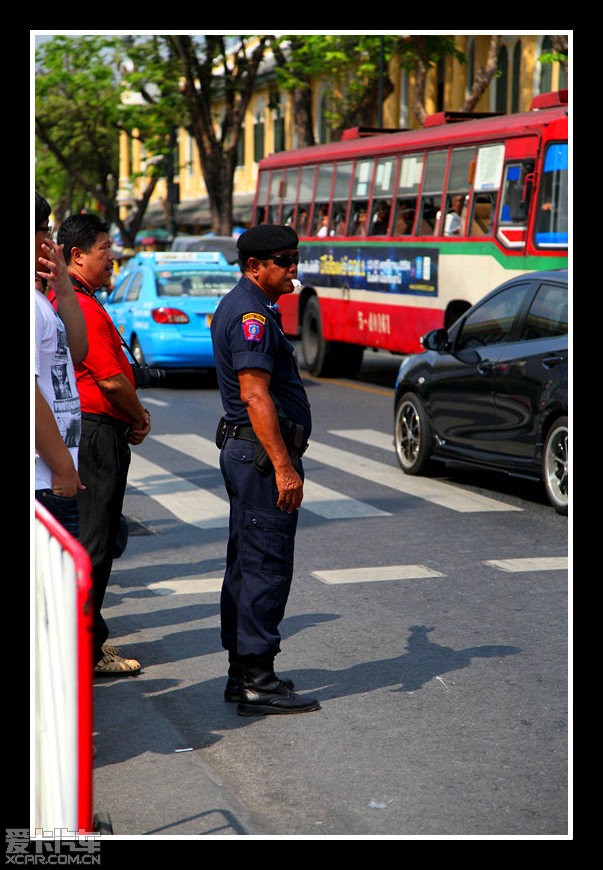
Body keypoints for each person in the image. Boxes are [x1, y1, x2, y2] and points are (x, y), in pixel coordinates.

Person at [210, 224, 320, 716]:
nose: (293, 266)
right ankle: (258, 680)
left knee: (247, 559)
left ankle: (242, 674)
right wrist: (284, 468)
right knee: (264, 563)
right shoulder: (251, 314)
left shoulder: (250, 305)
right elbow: (254, 394)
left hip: (247, 453)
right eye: (283, 259)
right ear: (255, 267)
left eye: (296, 256)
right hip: (258, 456)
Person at [55, 213, 152, 678]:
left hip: (94, 432)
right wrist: (138, 415)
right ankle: (85, 650)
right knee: (93, 545)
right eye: (104, 249)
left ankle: (89, 641)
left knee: (98, 540)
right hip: (95, 434)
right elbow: (111, 381)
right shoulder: (78, 304)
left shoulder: (84, 300)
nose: (111, 258)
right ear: (77, 256)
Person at [35, 193, 88, 539]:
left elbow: (78, 351)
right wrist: (63, 467)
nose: (51, 241)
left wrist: (64, 288)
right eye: (45, 230)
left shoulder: (39, 299)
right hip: (44, 479)